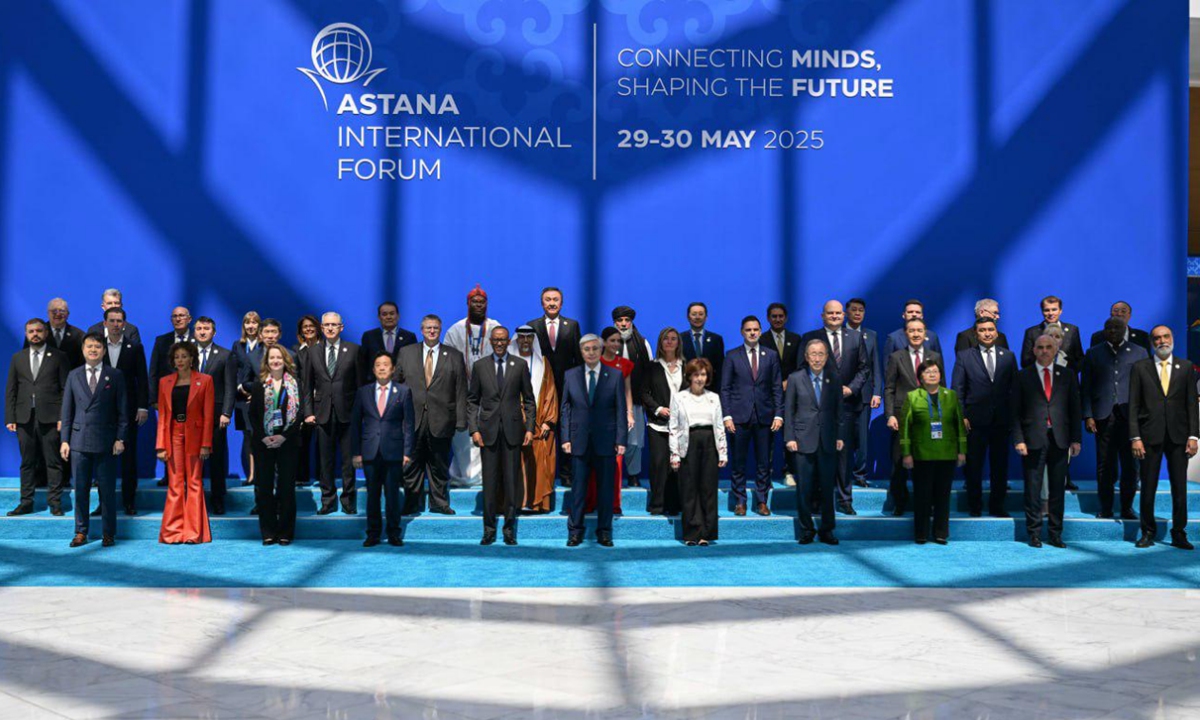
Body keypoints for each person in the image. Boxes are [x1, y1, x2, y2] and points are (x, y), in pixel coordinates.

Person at [1130, 326, 1199, 549]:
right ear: (1152, 342)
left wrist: (1193, 436)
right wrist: (1135, 437)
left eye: (1166, 336)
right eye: (1157, 338)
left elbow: (1191, 404)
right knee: (1148, 487)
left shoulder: (1186, 367)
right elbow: (1133, 405)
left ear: (1172, 338)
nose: (1162, 341)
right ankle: (1147, 532)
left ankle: (1179, 533)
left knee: (1179, 488)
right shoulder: (1140, 368)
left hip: (1179, 437)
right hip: (1149, 436)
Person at [1013, 334, 1082, 548]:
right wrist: (1018, 439)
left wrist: (1076, 439)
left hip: (1060, 439)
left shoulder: (1067, 375)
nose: (1044, 351)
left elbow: (1075, 409)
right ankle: (1034, 533)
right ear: (1034, 350)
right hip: (1032, 439)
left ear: (1056, 350)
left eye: (1049, 347)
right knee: (1033, 488)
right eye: (1040, 347)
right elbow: (1014, 411)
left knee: (1057, 490)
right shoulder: (1022, 376)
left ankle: (1055, 534)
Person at [468, 327, 536, 545]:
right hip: (487, 434)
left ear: (508, 342)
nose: (499, 343)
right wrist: (474, 429)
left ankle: (509, 530)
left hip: (513, 433)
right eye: (496, 340)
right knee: (489, 484)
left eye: (503, 340)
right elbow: (472, 401)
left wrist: (529, 428)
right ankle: (488, 530)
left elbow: (529, 400)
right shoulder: (480, 366)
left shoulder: (520, 365)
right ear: (490, 341)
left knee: (510, 483)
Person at [800, 300, 868, 515]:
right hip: (818, 407)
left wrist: (851, 388)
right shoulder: (810, 338)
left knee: (844, 456)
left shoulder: (856, 337)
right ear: (823, 316)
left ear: (844, 315)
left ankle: (845, 499)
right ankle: (818, 499)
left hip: (846, 406)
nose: (835, 316)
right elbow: (802, 369)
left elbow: (864, 368)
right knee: (818, 454)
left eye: (838, 313)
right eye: (830, 313)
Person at [61, 333, 128, 548]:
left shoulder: (115, 375)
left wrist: (120, 438)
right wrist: (64, 440)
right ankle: (81, 532)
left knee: (106, 492)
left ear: (104, 350)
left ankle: (109, 533)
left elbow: (123, 411)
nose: (93, 350)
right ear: (83, 350)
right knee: (80, 491)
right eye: (89, 346)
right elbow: (67, 411)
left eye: (97, 347)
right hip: (79, 442)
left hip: (106, 442)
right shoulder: (73, 375)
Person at [561, 334, 627, 547]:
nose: (591, 353)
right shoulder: (570, 375)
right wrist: (565, 437)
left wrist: (621, 439)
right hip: (578, 440)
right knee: (578, 490)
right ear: (581, 352)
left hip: (606, 441)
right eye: (586, 349)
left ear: (601, 350)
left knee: (605, 490)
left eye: (594, 349)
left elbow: (621, 409)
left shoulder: (615, 375)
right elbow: (565, 408)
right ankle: (575, 532)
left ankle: (605, 532)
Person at [396, 315, 467, 515]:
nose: (432, 331)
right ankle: (412, 503)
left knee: (439, 464)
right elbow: (396, 384)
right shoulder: (406, 353)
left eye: (435, 328)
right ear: (422, 330)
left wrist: (461, 420)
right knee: (411, 464)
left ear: (440, 329)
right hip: (412, 418)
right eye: (428, 328)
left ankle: (439, 503)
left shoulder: (454, 355)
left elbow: (461, 389)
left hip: (442, 419)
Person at [1081, 318, 1147, 519]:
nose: (1112, 331)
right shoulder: (1093, 353)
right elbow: (1086, 387)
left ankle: (1127, 508)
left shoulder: (1139, 352)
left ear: (1125, 329)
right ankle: (1106, 508)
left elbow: (1146, 386)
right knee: (1105, 465)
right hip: (1103, 417)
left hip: (1130, 418)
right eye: (1108, 328)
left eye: (1117, 327)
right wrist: (1088, 415)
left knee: (1130, 466)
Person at [951, 316, 1017, 517]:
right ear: (975, 334)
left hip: (1001, 421)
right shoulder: (964, 356)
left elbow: (1015, 389)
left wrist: (1013, 418)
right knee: (974, 467)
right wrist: (961, 416)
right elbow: (957, 390)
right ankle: (975, 506)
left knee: (1000, 466)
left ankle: (998, 506)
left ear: (996, 332)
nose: (987, 333)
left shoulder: (1008, 356)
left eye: (990, 329)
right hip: (974, 422)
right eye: (982, 330)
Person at [720, 315, 784, 517]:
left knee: (764, 462)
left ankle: (762, 501)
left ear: (760, 331)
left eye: (755, 329)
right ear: (742, 332)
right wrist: (727, 415)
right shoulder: (732, 355)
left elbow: (777, 387)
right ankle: (740, 501)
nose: (752, 333)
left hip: (765, 417)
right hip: (739, 417)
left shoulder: (771, 355)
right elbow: (725, 388)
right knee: (738, 462)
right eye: (748, 330)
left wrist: (779, 414)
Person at [5, 319, 70, 515]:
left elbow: (65, 390)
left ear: (46, 333)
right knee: (27, 462)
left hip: (51, 418)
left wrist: (63, 417)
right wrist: (10, 417)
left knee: (53, 462)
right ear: (26, 334)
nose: (35, 334)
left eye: (39, 331)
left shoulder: (59, 356)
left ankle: (55, 502)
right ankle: (26, 502)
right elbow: (11, 389)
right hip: (24, 418)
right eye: (31, 331)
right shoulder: (18, 358)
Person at [899, 359, 966, 544]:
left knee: (943, 496)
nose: (932, 375)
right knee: (922, 496)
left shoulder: (951, 396)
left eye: (935, 371)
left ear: (941, 375)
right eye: (928, 372)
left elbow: (959, 425)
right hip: (922, 454)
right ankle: (921, 533)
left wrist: (962, 451)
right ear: (920, 377)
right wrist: (906, 453)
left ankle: (941, 533)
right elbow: (905, 427)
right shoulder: (912, 396)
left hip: (947, 453)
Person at [351, 352, 415, 548]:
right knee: (372, 496)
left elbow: (409, 424)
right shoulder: (363, 392)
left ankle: (394, 533)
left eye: (385, 364)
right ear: (373, 369)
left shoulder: (403, 391)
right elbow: (355, 424)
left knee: (392, 495)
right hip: (370, 451)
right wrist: (356, 452)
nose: (381, 367)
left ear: (393, 369)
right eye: (378, 364)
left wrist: (407, 452)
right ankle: (373, 534)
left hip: (394, 451)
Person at [784, 340, 844, 545]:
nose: (817, 358)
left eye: (821, 354)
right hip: (803, 440)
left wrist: (839, 436)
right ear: (806, 357)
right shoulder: (795, 378)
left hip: (828, 440)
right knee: (804, 488)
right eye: (813, 354)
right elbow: (789, 410)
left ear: (827, 357)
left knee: (827, 488)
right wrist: (790, 437)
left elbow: (839, 410)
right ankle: (806, 529)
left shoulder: (834, 378)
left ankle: (827, 530)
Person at [884, 318, 944, 516]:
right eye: (912, 331)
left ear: (925, 334)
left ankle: (928, 504)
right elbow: (889, 388)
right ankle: (900, 503)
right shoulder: (896, 357)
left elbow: (941, 386)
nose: (916, 334)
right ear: (906, 334)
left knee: (928, 463)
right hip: (902, 417)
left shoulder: (935, 356)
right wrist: (890, 415)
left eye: (919, 330)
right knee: (899, 463)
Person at [155, 342, 213, 545]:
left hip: (196, 437)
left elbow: (208, 416)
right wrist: (161, 445)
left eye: (184, 356)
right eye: (177, 357)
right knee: (175, 483)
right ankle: (173, 532)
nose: (180, 360)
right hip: (173, 435)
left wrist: (206, 444)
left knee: (195, 482)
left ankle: (193, 533)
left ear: (192, 359)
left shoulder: (205, 380)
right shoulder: (165, 382)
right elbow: (163, 416)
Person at [302, 312, 361, 515]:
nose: (330, 328)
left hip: (348, 414)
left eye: (334, 325)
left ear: (341, 327)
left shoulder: (353, 350)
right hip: (322, 413)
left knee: (348, 461)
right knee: (325, 461)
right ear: (321, 327)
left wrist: (359, 413)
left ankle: (348, 501)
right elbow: (307, 386)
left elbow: (360, 385)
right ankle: (328, 500)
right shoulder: (312, 352)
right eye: (326, 325)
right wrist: (308, 412)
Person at [444, 285, 503, 486]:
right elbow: (447, 361)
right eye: (475, 302)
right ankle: (462, 476)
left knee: (487, 433)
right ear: (467, 303)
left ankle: (485, 476)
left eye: (482, 302)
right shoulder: (456, 330)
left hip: (489, 392)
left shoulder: (495, 327)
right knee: (462, 437)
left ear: (487, 304)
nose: (478, 305)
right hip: (462, 392)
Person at [526, 287, 582, 487]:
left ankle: (566, 474)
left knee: (566, 431)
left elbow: (578, 358)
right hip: (542, 388)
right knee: (543, 431)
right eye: (548, 300)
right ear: (542, 303)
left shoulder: (572, 326)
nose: (552, 303)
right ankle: (543, 475)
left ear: (561, 303)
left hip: (567, 387)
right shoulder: (532, 326)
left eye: (555, 300)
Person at [246, 345, 302, 545]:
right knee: (264, 489)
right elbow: (253, 415)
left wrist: (283, 436)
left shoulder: (296, 384)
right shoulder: (259, 385)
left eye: (279, 357)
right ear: (267, 362)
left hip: (288, 442)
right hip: (264, 443)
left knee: (286, 489)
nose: (275, 361)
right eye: (272, 358)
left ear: (285, 360)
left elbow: (300, 415)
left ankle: (285, 532)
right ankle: (268, 532)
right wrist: (264, 437)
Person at [670, 358, 727, 546]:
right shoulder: (679, 397)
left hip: (710, 443)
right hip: (688, 443)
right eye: (696, 374)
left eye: (703, 374)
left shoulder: (714, 397)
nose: (700, 378)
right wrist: (674, 453)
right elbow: (674, 427)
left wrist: (723, 452)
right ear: (689, 377)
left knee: (708, 489)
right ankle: (691, 534)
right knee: (689, 489)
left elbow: (719, 426)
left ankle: (706, 534)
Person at [100, 307, 148, 516]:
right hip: (102, 412)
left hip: (128, 411)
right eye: (112, 321)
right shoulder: (97, 346)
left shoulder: (134, 347)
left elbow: (142, 379)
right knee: (103, 460)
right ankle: (103, 503)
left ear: (125, 324)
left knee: (129, 459)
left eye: (119, 321)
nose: (115, 324)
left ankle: (129, 502)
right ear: (105, 323)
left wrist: (143, 406)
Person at [585, 327, 636, 514]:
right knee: (592, 463)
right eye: (612, 340)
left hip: (616, 420)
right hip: (595, 419)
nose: (616, 344)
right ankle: (590, 502)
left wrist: (629, 414)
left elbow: (627, 391)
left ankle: (613, 504)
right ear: (604, 342)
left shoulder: (625, 364)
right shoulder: (594, 362)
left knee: (616, 463)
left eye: (618, 341)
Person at [192, 317, 237, 514]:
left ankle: (218, 499)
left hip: (217, 415)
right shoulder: (185, 354)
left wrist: (226, 412)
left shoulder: (225, 355)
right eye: (199, 328)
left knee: (216, 459)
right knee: (193, 459)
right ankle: (194, 501)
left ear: (214, 332)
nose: (202, 332)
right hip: (191, 416)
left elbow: (230, 387)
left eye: (206, 328)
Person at [513, 325, 558, 513]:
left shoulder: (543, 363)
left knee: (539, 464)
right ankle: (516, 503)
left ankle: (537, 503)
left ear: (534, 340)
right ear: (516, 339)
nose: (525, 341)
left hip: (539, 423)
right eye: (521, 337)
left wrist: (548, 420)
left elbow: (551, 392)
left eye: (529, 337)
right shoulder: (509, 361)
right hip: (513, 422)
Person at [643, 327, 686, 516]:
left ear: (678, 343)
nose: (669, 341)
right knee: (659, 464)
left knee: (678, 466)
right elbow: (644, 392)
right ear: (660, 342)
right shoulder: (651, 367)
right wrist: (658, 409)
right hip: (657, 425)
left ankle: (675, 505)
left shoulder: (687, 366)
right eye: (665, 338)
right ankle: (658, 505)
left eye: (673, 338)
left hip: (682, 425)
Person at [611, 306, 653, 487]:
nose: (623, 324)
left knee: (635, 441)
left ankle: (633, 475)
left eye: (626, 320)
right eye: (619, 320)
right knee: (612, 439)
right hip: (611, 402)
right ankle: (613, 475)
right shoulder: (607, 343)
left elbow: (650, 372)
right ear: (614, 323)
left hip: (635, 400)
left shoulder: (643, 343)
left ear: (631, 322)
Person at [762, 302, 802, 486]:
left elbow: (801, 365)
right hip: (767, 396)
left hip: (790, 395)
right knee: (767, 438)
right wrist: (775, 385)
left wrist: (789, 381)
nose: (777, 319)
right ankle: (766, 474)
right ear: (768, 318)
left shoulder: (796, 339)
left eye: (780, 316)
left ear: (786, 318)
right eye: (774, 316)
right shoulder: (761, 339)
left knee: (790, 435)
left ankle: (789, 472)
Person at [845, 298, 881, 488]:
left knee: (862, 438)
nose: (858, 313)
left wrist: (877, 392)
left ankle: (859, 473)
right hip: (842, 394)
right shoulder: (838, 334)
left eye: (861, 310)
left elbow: (875, 365)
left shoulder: (871, 335)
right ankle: (840, 474)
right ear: (846, 312)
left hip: (865, 394)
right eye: (854, 310)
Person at [291, 314, 320, 486]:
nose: (308, 329)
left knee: (322, 442)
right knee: (302, 441)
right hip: (301, 401)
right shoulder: (295, 351)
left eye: (311, 326)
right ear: (301, 331)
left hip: (322, 401)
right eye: (305, 327)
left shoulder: (325, 348)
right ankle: (301, 477)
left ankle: (322, 477)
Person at [1020, 295, 1083, 371]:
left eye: (1054, 309)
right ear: (1042, 311)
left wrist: (1067, 373)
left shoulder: (1072, 330)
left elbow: (1079, 359)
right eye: (1047, 310)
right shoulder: (1031, 332)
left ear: (1060, 311)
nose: (1050, 313)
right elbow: (1025, 361)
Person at [358, 301, 417, 379]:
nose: (388, 317)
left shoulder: (409, 337)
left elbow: (413, 363)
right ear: (379, 317)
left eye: (392, 313)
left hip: (402, 383)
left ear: (398, 316)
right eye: (384, 314)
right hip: (375, 382)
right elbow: (363, 364)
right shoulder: (369, 336)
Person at [148, 307, 194, 405]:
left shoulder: (198, 340)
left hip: (193, 396)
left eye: (181, 315)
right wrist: (154, 400)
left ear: (189, 319)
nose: (178, 319)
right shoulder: (161, 341)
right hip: (167, 396)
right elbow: (153, 372)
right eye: (175, 316)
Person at [680, 302, 725, 389]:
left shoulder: (716, 339)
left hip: (711, 388)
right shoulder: (680, 339)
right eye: (694, 314)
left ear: (706, 317)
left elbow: (720, 368)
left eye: (701, 314)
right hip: (686, 388)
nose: (697, 317)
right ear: (688, 317)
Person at [42, 298, 84, 368]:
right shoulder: (38, 333)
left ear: (68, 314)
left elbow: (82, 363)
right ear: (48, 313)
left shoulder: (79, 335)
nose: (58, 314)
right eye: (54, 311)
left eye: (62, 311)